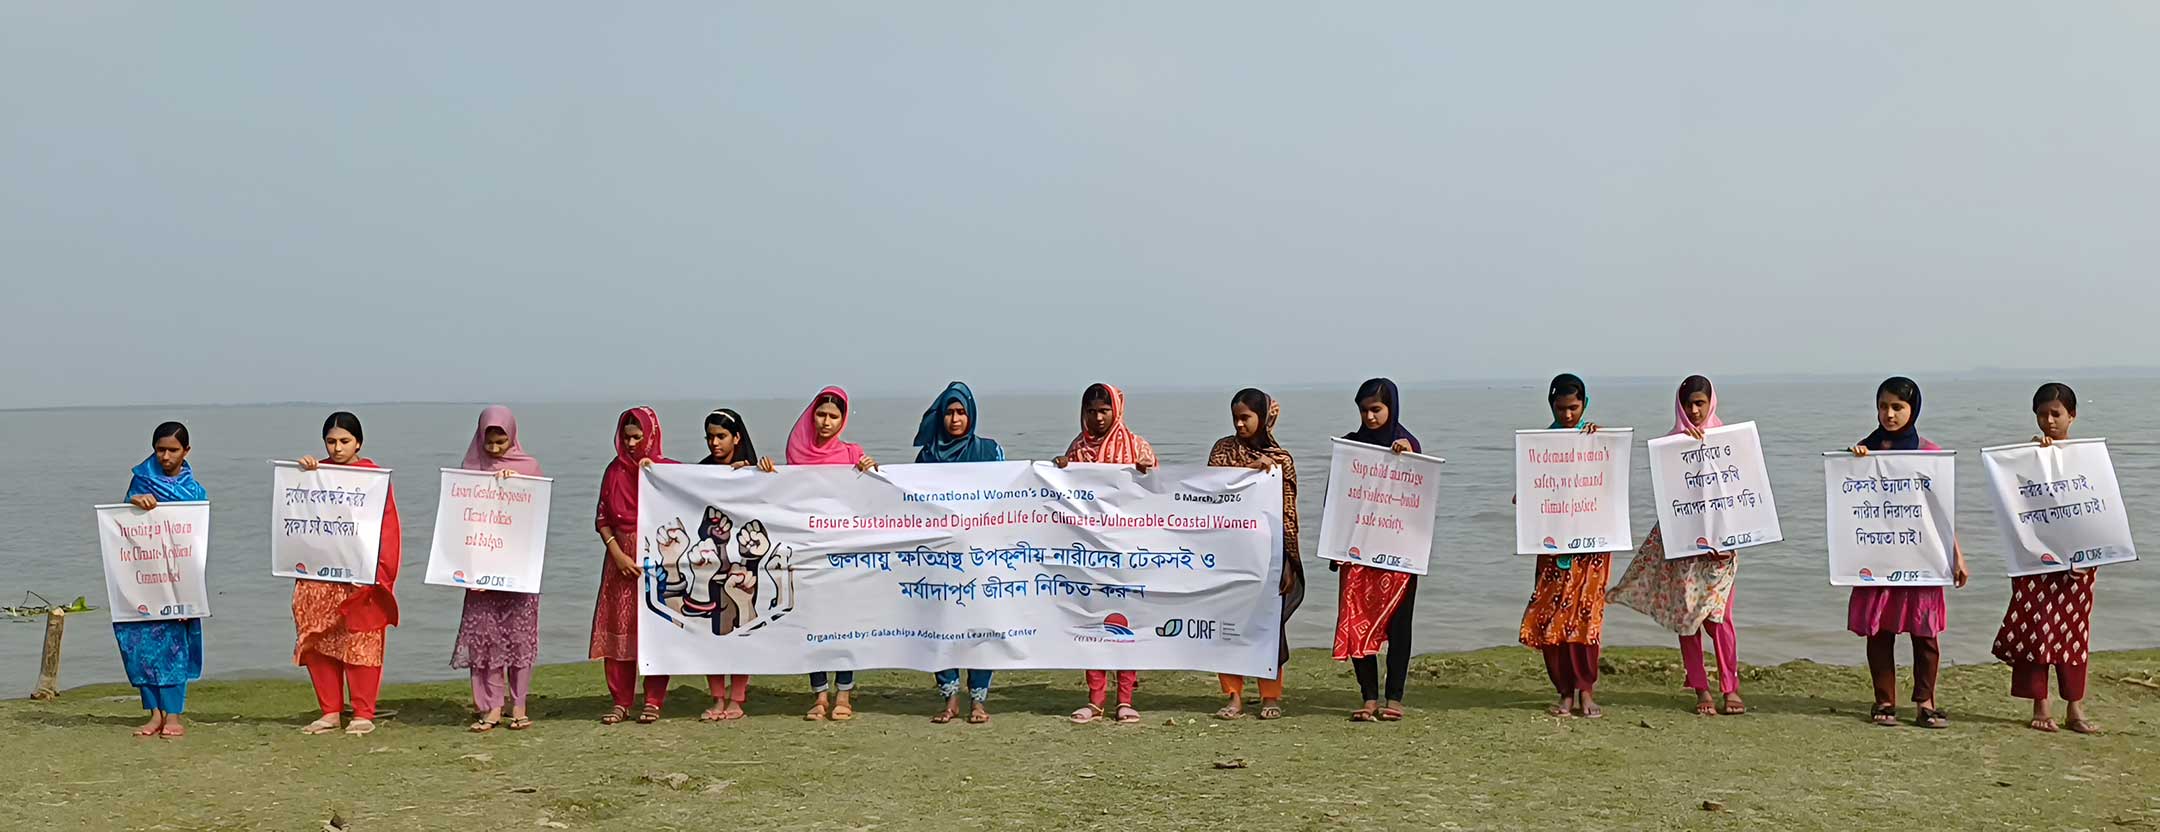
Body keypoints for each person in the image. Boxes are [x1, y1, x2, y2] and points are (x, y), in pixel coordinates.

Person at [1610, 376, 1744, 716]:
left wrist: (1734, 537)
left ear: (1711, 402)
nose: (1694, 410)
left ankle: (1731, 687)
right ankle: (1701, 689)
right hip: (1683, 545)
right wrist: (1684, 449)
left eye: (1700, 403)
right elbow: (1668, 496)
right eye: (1688, 404)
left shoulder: (1728, 442)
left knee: (1720, 620)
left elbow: (1742, 494)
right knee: (1688, 618)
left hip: (1720, 550)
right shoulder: (1671, 445)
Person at [1848, 376, 1970, 729]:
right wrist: (1854, 462)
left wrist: (1957, 555)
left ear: (1913, 409)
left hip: (1922, 557)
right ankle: (1884, 701)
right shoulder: (1863, 453)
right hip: (1878, 557)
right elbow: (1849, 503)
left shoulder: (1929, 454)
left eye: (1898, 407)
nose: (1889, 414)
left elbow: (1940, 513)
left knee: (1925, 632)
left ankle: (1925, 703)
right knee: (1879, 632)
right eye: (1883, 407)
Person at [1991, 382, 2099, 734]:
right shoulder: (2027, 457)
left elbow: (2099, 508)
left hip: (2079, 561)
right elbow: (2015, 505)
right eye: (2042, 414)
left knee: (2073, 632)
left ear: (2072, 416)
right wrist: (2036, 458)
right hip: (2036, 558)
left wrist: (2091, 554)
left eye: (2056, 414)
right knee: (2036, 628)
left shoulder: (2087, 458)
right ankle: (2041, 703)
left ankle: (2075, 707)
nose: (2049, 421)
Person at [294, 411, 402, 736]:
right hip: (320, 576)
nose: (337, 448)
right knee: (319, 640)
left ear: (359, 443)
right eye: (331, 441)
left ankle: (363, 712)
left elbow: (388, 528)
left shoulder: (373, 479)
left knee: (361, 641)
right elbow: (296, 516)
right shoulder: (316, 475)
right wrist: (301, 475)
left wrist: (380, 573)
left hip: (360, 576)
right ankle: (329, 711)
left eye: (344, 441)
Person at [1056, 383, 1155, 725]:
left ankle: (1125, 699)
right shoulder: (1077, 450)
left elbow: (1160, 495)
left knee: (1125, 623)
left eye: (1104, 410)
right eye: (1091, 411)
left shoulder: (1136, 447)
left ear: (1116, 410)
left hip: (1127, 552)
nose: (1098, 418)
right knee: (1093, 623)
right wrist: (1060, 471)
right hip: (1090, 553)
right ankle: (1095, 699)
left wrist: (1147, 471)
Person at [1518, 373, 1613, 719]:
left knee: (1586, 618)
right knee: (1552, 618)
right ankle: (1564, 692)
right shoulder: (1542, 447)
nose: (1568, 415)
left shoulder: (1596, 439)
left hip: (1590, 550)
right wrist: (1525, 498)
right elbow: (1535, 489)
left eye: (1574, 407)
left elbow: (1610, 483)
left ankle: (1586, 690)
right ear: (1551, 406)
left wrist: (1602, 443)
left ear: (1585, 404)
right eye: (1561, 409)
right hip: (1554, 548)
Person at [913, 382, 1007, 725]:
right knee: (941, 625)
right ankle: (950, 698)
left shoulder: (989, 451)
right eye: (949, 412)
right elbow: (910, 503)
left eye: (961, 412)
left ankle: (979, 700)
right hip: (939, 557)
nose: (955, 419)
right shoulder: (926, 457)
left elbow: (1010, 495)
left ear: (972, 415)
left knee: (981, 626)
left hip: (981, 555)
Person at [1208, 389, 1302, 721]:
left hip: (1269, 556)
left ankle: (1270, 696)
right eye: (1235, 417)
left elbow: (1288, 513)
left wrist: (1289, 562)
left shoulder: (1281, 459)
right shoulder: (1223, 450)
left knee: (1267, 627)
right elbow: (1211, 491)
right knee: (1228, 625)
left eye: (1246, 417)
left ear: (1261, 417)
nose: (1239, 424)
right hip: (1229, 554)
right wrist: (1250, 470)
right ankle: (1233, 696)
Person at [1332, 378, 1421, 722]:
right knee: (1356, 622)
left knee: (1399, 627)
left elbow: (1420, 494)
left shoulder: (1408, 444)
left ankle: (1394, 698)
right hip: (1358, 552)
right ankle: (1368, 696)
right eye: (1364, 410)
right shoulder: (1352, 447)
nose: (1369, 417)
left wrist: (1411, 457)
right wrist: (1334, 544)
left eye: (1376, 409)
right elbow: (1337, 498)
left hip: (1398, 555)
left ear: (1392, 408)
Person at [786, 387, 878, 721]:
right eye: (821, 415)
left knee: (844, 624)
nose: (826, 422)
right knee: (813, 623)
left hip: (844, 553)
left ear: (843, 419)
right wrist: (763, 474)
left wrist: (872, 471)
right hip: (810, 552)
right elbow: (782, 496)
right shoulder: (796, 454)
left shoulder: (853, 454)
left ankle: (844, 694)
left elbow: (872, 497)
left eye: (833, 416)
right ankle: (819, 695)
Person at [450, 406, 544, 733]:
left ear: (512, 437)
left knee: (519, 638)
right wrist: (465, 568)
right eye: (488, 442)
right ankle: (491, 707)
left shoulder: (528, 468)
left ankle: (519, 705)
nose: (493, 448)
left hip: (517, 570)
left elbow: (536, 515)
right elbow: (458, 522)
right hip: (481, 568)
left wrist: (518, 487)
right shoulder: (470, 471)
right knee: (485, 640)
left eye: (500, 442)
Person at [117, 421, 206, 739]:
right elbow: (120, 528)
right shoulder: (140, 482)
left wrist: (191, 589)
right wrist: (133, 503)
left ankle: (174, 715)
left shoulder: (194, 492)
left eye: (173, 450)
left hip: (177, 579)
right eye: (160, 450)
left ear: (186, 451)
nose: (166, 456)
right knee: (141, 645)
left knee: (175, 646)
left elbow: (196, 542)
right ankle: (154, 713)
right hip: (142, 578)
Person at [593, 406, 679, 725]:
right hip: (620, 560)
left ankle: (654, 700)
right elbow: (602, 517)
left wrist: (655, 477)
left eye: (637, 437)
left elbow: (702, 489)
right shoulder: (614, 471)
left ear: (651, 436)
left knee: (655, 628)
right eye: (626, 437)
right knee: (620, 629)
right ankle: (621, 700)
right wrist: (616, 553)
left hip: (656, 560)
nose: (630, 443)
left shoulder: (666, 470)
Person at [695, 407, 773, 722]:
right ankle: (717, 697)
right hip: (713, 568)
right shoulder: (699, 473)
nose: (714, 443)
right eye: (710, 437)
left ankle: (737, 698)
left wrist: (762, 473)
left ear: (737, 438)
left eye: (721, 436)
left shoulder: (751, 471)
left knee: (743, 627)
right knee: (713, 631)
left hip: (745, 569)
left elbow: (772, 507)